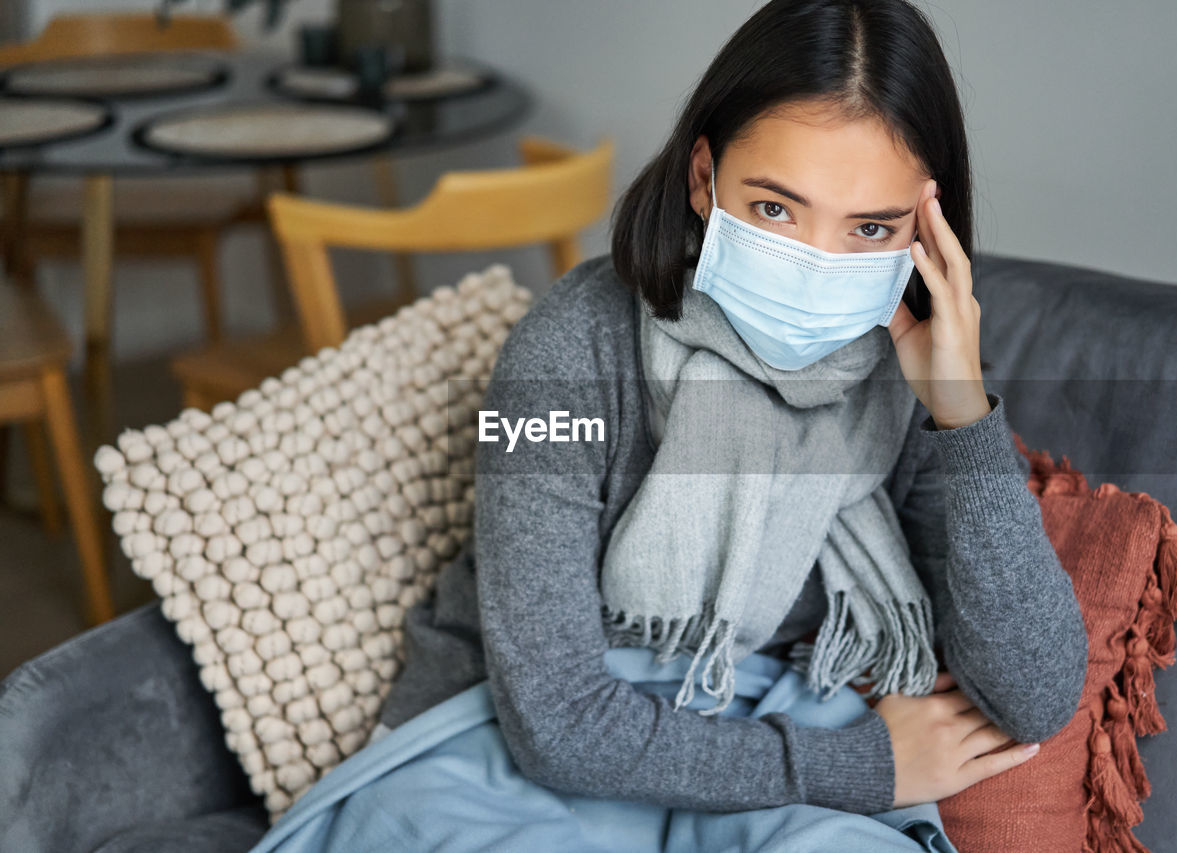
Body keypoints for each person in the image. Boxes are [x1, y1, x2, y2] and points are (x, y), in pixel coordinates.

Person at [257, 1, 1088, 850]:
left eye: (870, 227)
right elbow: (557, 723)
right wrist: (859, 768)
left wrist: (962, 410)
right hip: (511, 756)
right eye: (774, 209)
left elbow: (1035, 696)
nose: (817, 265)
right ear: (704, 178)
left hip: (780, 736)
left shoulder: (908, 375)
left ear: (925, 229)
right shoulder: (564, 351)